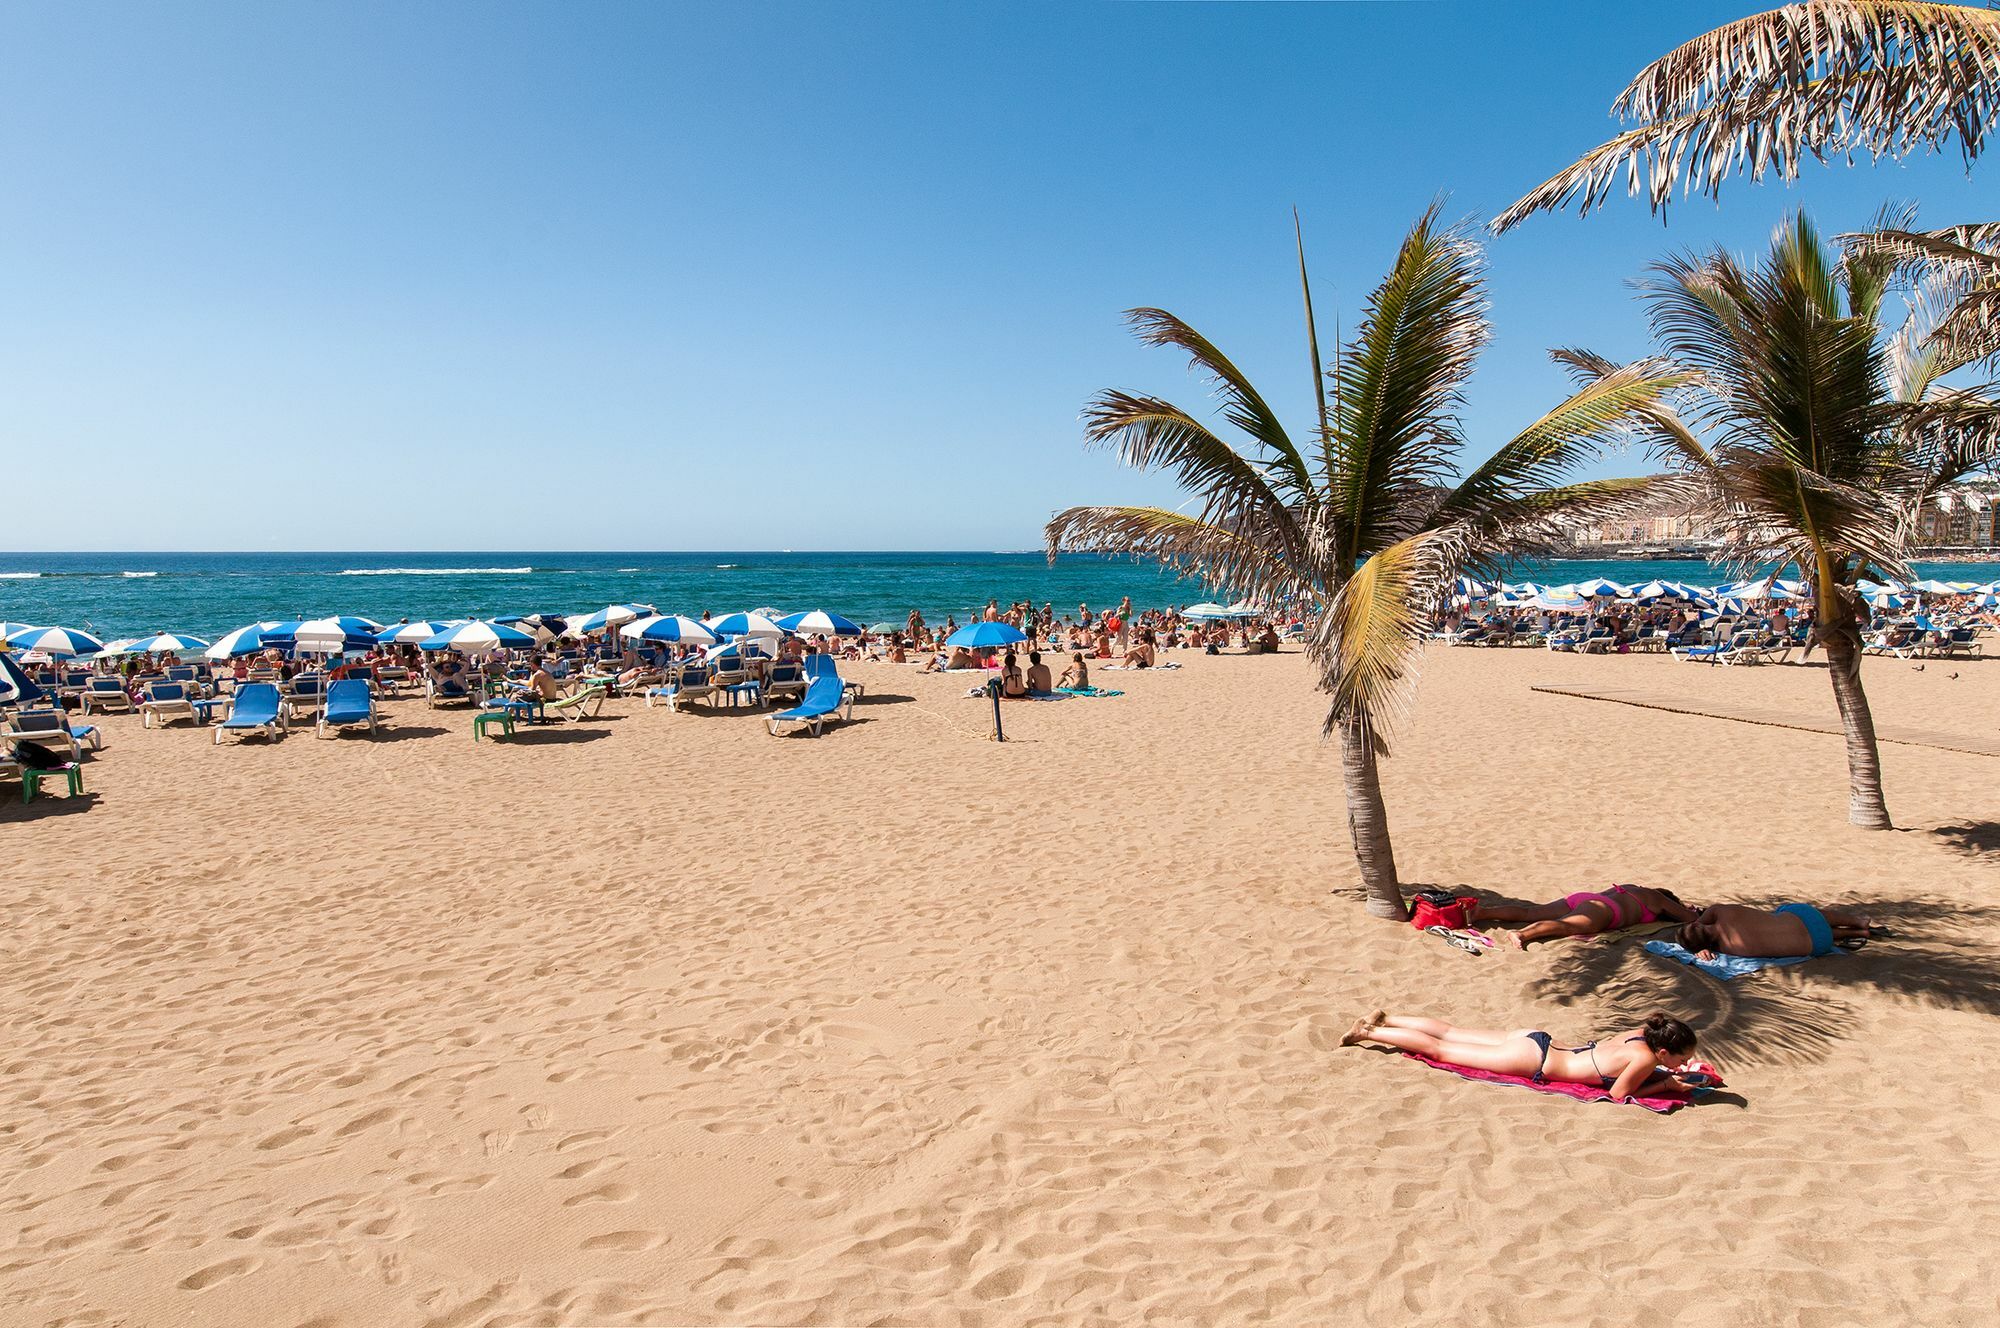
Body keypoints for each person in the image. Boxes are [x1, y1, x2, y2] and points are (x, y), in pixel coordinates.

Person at [1340, 1010, 1701, 1105]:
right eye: (1680, 1059)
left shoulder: (1638, 1034)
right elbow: (1620, 1094)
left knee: (1452, 1032)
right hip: (1535, 1061)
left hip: (1537, 1038)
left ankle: (1390, 1018)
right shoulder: (1646, 1061)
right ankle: (1371, 1032)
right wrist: (1668, 1083)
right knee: (1443, 1050)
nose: (1681, 1065)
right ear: (1663, 1051)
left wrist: (1668, 1074)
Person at [1475, 884, 1696, 949]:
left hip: (1585, 898)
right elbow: (1688, 917)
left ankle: (1482, 913)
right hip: (1605, 911)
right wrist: (1686, 907)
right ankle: (1522, 934)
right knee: (1564, 926)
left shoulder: (1634, 888)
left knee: (1530, 912)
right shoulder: (1656, 898)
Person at [1676, 902, 1877, 959]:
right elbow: (1702, 918)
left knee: (1812, 933)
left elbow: (1704, 940)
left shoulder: (1729, 949)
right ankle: (1857, 922)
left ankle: (1858, 934)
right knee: (1795, 913)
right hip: (1804, 920)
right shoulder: (1719, 912)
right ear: (1698, 925)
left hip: (1817, 945)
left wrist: (1698, 949)